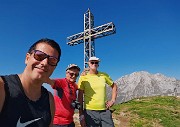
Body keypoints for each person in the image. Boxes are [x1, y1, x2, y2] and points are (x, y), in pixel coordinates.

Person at [0, 38, 61, 127]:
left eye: (52, 60)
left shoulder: (49, 99)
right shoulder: (3, 88)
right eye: (39, 55)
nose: (45, 63)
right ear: (27, 58)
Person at [78, 56, 117, 127]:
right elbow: (80, 97)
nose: (94, 64)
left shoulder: (104, 75)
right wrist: (81, 115)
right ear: (89, 64)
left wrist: (113, 100)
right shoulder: (83, 78)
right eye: (92, 62)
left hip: (105, 111)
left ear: (98, 64)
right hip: (89, 112)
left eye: (96, 62)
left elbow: (114, 86)